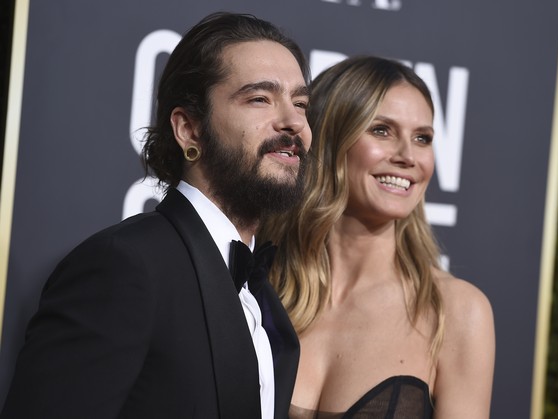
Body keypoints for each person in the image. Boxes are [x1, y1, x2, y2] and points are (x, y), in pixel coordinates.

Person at [1, 12, 312, 419]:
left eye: (301, 103)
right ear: (189, 130)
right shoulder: (123, 266)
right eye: (259, 98)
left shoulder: (262, 294)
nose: (293, 122)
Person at [258, 56, 495, 418]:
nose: (408, 156)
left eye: (423, 138)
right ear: (330, 139)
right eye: (382, 130)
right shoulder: (256, 286)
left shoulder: (456, 312)